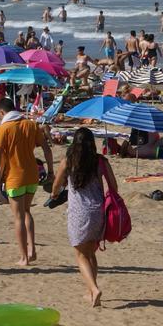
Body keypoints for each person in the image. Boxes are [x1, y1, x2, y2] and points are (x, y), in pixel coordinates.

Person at [52, 127, 116, 306]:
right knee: (90, 253)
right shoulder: (100, 161)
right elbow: (114, 187)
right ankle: (90, 292)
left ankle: (94, 289)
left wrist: (54, 195)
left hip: (79, 213)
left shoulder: (69, 160)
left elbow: (56, 185)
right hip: (98, 211)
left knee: (80, 255)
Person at [0, 98, 54, 267]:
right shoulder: (31, 125)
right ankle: (32, 249)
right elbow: (46, 149)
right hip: (32, 174)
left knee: (18, 216)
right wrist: (51, 171)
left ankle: (24, 257)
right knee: (26, 212)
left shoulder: (4, 128)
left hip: (14, 176)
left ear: (2, 113)